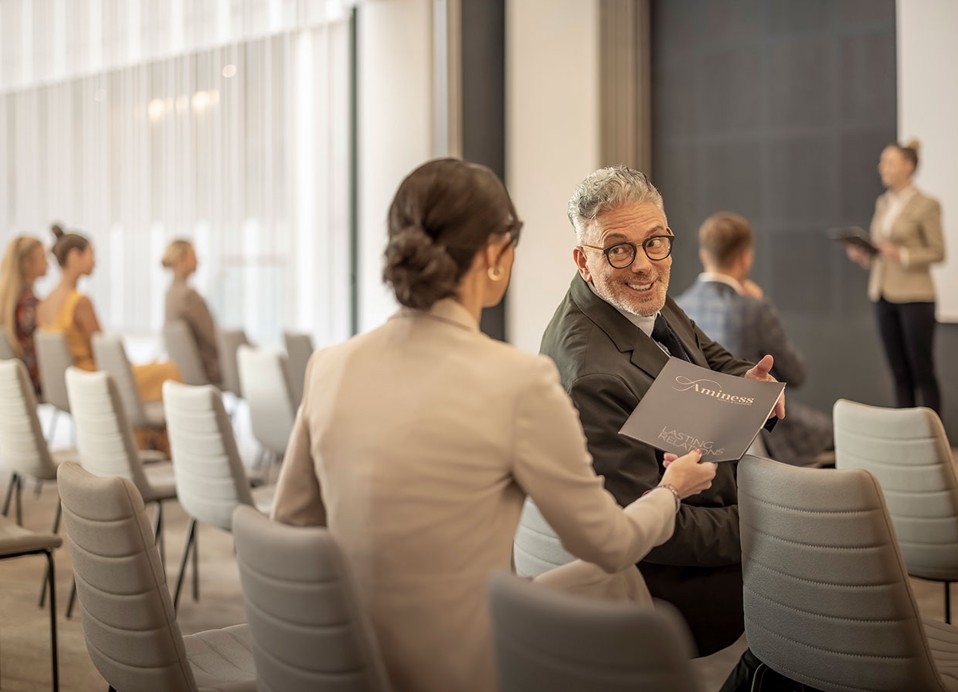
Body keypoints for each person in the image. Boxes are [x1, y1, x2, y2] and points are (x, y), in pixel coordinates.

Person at [270, 158, 718, 692]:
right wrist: (671, 490)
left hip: (344, 655)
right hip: (464, 667)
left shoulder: (329, 365)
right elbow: (610, 543)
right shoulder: (519, 380)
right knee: (619, 581)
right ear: (493, 256)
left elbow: (289, 529)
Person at [540, 165, 785, 663]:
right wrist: (765, 524)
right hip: (673, 589)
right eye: (618, 249)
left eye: (656, 242)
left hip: (714, 512)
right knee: (824, 597)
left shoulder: (635, 289)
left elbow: (703, 350)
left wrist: (747, 380)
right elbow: (647, 531)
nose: (644, 266)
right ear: (583, 261)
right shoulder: (593, 375)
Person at [677, 211, 832, 466]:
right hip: (760, 433)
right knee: (835, 431)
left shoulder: (680, 307)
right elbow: (796, 375)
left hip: (698, 436)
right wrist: (759, 303)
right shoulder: (753, 308)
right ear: (745, 258)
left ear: (703, 255)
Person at [845, 139, 945, 414]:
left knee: (922, 370)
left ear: (908, 166)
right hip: (883, 293)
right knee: (899, 371)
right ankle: (905, 438)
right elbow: (880, 250)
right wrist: (865, 254)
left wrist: (901, 254)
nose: (881, 167)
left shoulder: (927, 204)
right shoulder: (883, 203)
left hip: (915, 296)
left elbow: (938, 252)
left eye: (889, 162)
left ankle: (933, 438)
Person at [37, 224, 181, 403]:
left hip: (71, 381)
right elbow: (102, 351)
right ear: (74, 256)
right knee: (169, 370)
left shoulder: (44, 303)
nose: (95, 262)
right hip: (92, 380)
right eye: (92, 254)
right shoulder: (79, 301)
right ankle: (148, 429)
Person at [162, 239, 221, 385]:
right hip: (210, 369)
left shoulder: (170, 294)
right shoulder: (189, 296)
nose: (198, 261)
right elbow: (213, 338)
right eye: (193, 256)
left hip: (184, 371)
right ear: (179, 260)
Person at [0, 236, 49, 393]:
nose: (48, 263)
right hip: (33, 381)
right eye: (43, 257)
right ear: (27, 263)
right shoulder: (30, 305)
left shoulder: (10, 301)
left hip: (12, 381)